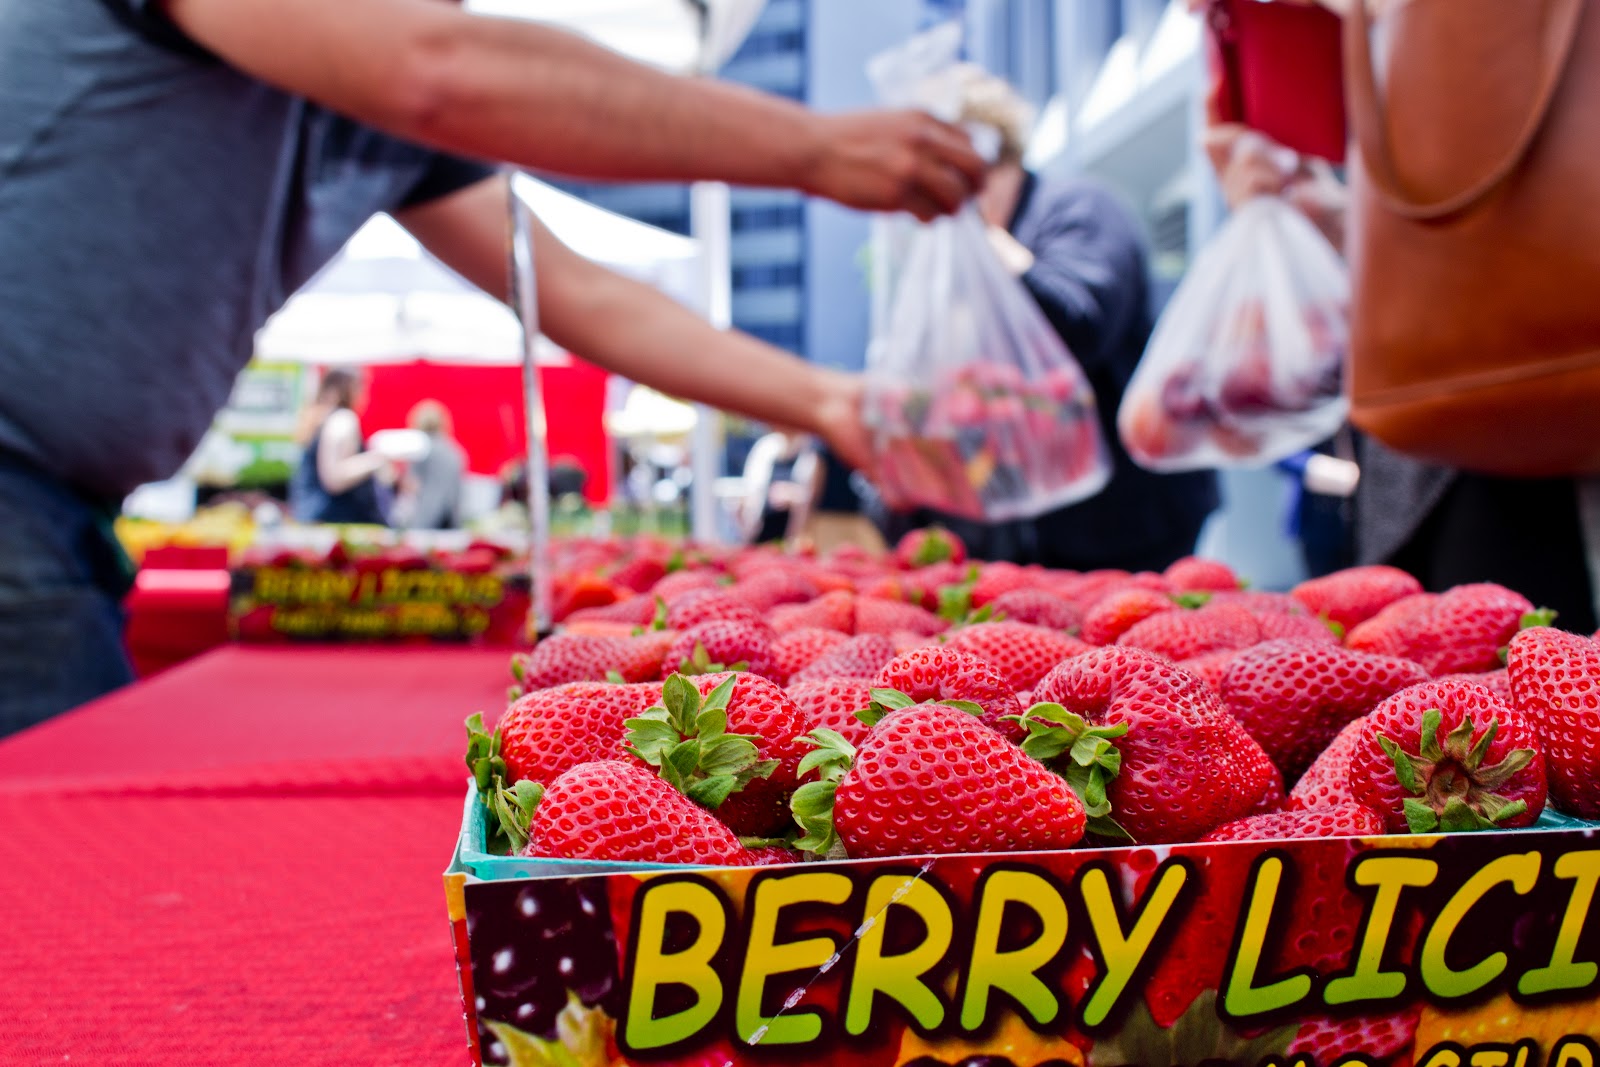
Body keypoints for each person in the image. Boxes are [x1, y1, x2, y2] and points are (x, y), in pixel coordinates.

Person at [0, 0, 985, 733]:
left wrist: (830, 402)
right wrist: (810, 146)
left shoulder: (376, 97)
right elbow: (440, 67)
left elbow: (578, 293)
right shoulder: (397, 60)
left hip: (50, 504)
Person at [1200, 0, 1600, 630]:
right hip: (1440, 443)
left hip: (1511, 414)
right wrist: (1332, 221)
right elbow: (1457, 222)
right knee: (1474, 679)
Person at [891, 69, 1220, 571]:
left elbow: (1080, 325)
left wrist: (981, 238)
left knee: (1133, 643)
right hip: (1046, 520)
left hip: (1131, 516)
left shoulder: (1078, 209)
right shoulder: (967, 259)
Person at [288, 368, 391, 526]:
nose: (364, 394)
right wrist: (376, 461)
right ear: (348, 389)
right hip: (337, 522)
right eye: (360, 387)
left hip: (311, 519)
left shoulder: (318, 418)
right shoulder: (343, 419)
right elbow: (334, 478)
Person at [396, 400, 465, 530]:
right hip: (451, 517)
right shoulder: (454, 450)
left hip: (425, 516)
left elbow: (411, 484)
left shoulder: (419, 448)